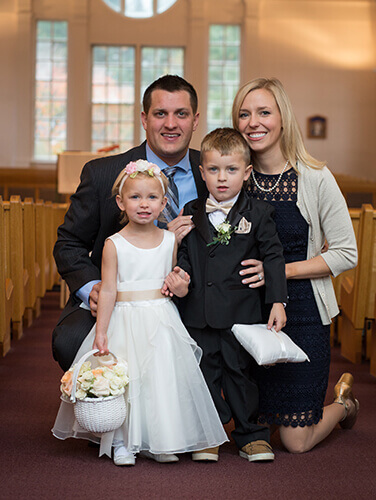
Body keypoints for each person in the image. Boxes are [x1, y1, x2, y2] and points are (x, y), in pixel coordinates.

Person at [52, 160, 228, 466]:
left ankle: (162, 440)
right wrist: (102, 331)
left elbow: (175, 283)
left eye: (151, 198)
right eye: (135, 197)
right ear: (121, 202)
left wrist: (181, 285)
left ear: (164, 203)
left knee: (160, 379)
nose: (143, 205)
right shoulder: (114, 244)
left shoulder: (170, 240)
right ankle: (121, 442)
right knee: (127, 380)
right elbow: (107, 290)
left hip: (160, 319)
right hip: (124, 317)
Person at [232, 77, 359, 453]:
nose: (253, 122)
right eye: (244, 114)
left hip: (303, 313)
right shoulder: (233, 176)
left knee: (295, 441)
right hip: (247, 312)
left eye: (263, 112)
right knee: (251, 425)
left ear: (283, 118)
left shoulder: (315, 178)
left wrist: (281, 270)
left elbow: (346, 253)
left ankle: (344, 403)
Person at [53, 75, 207, 371]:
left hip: (197, 298)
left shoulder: (214, 173)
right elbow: (68, 244)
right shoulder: (103, 173)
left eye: (181, 114)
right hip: (120, 297)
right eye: (160, 113)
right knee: (70, 340)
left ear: (195, 120)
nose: (171, 124)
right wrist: (94, 288)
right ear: (144, 118)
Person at [163, 128, 288, 462]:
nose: (222, 178)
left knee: (241, 375)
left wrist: (277, 300)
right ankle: (209, 434)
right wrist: (181, 278)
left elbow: (274, 257)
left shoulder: (258, 212)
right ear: (201, 172)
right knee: (204, 374)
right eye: (214, 170)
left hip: (241, 313)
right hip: (199, 312)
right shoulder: (191, 209)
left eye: (231, 170)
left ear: (246, 173)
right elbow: (186, 256)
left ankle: (251, 435)